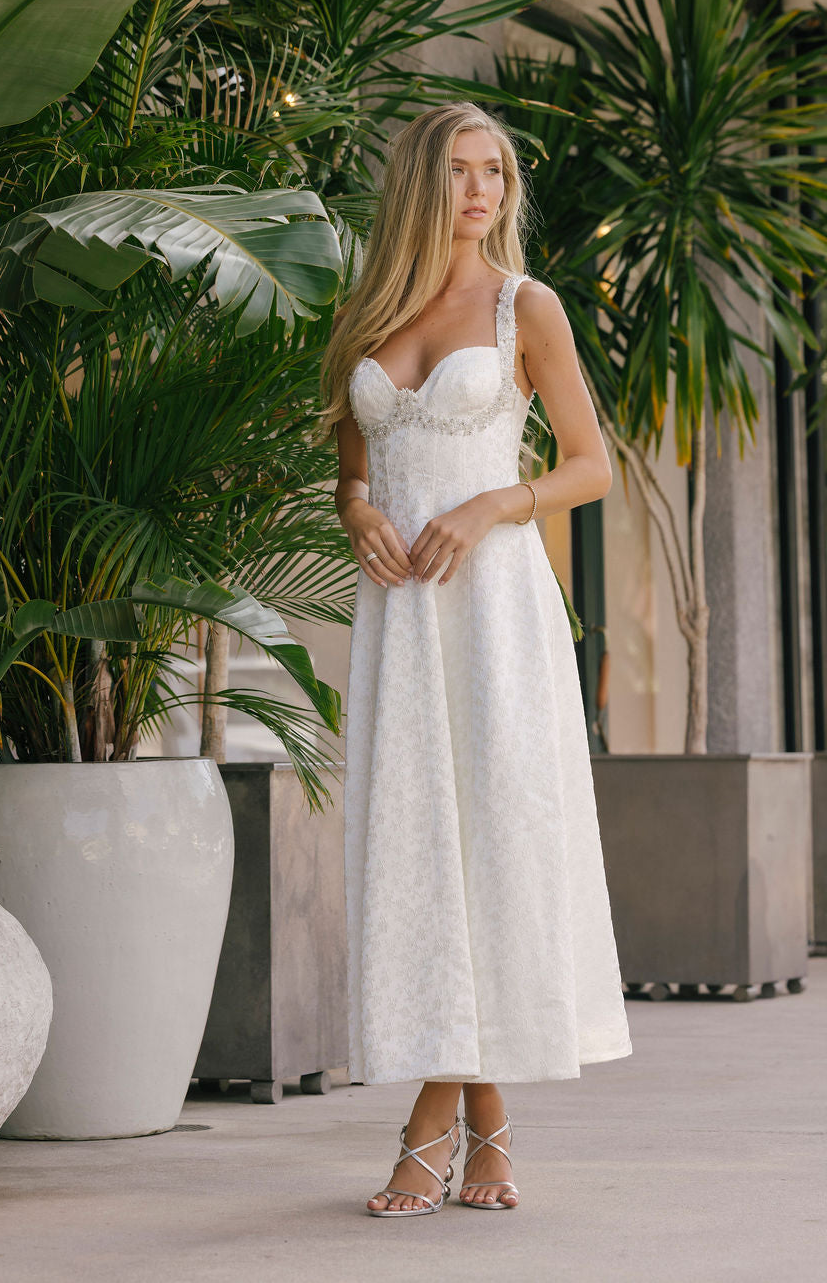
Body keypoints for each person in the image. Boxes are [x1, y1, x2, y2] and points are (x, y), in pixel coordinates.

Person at [318, 101, 632, 1217]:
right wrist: (357, 511)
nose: (481, 191)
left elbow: (591, 465)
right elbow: (354, 472)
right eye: (458, 171)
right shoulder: (366, 312)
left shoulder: (521, 306)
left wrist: (501, 500)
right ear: (419, 183)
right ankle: (487, 1128)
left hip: (494, 611)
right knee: (425, 852)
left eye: (494, 171)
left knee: (490, 845)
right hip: (401, 618)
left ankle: (427, 1125)